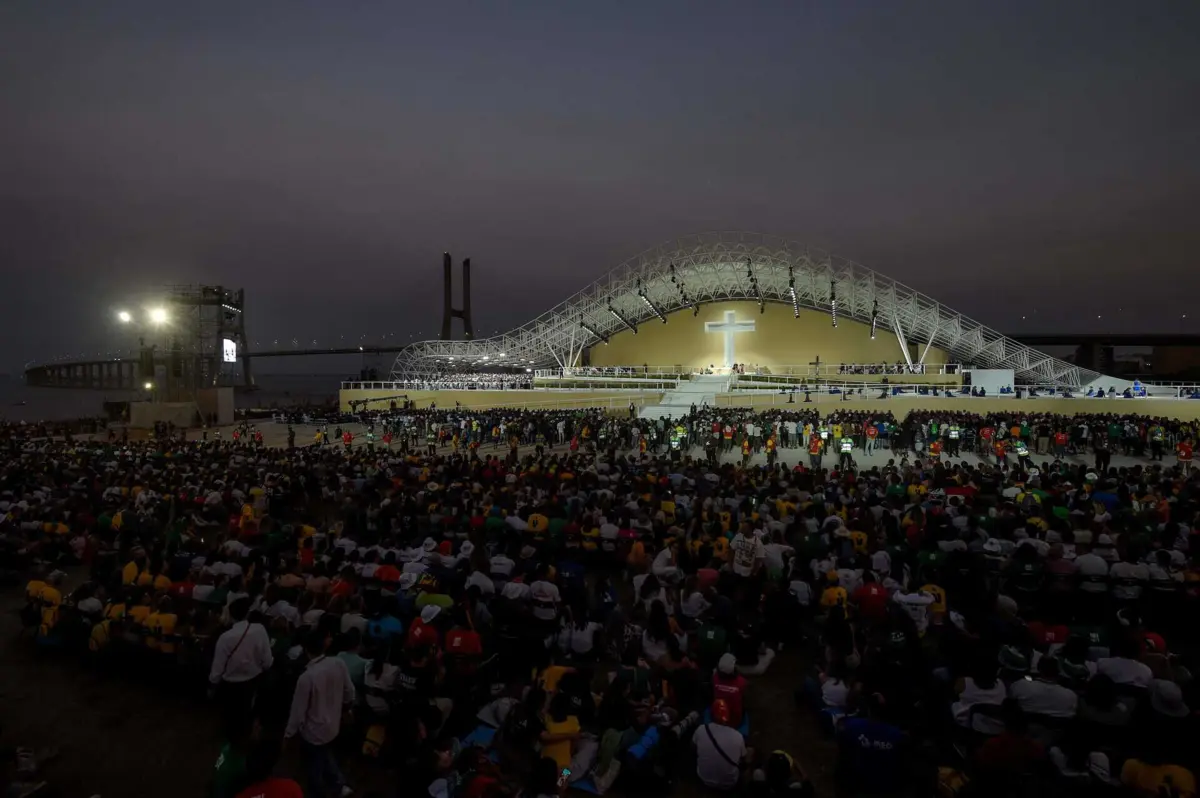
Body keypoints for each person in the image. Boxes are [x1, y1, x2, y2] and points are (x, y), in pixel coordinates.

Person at [284, 630, 356, 798]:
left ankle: (321, 791)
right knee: (324, 754)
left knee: (314, 767)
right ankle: (338, 785)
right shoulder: (338, 663)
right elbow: (350, 691)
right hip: (333, 725)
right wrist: (347, 709)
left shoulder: (307, 677)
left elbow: (297, 712)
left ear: (305, 649)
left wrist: (288, 735)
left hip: (313, 732)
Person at [210, 597, 274, 732]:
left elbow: (217, 668)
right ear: (247, 613)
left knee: (230, 717)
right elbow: (267, 661)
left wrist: (213, 683)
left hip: (229, 684)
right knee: (245, 714)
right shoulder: (259, 630)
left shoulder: (225, 637)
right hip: (252, 681)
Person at [693, 698, 748, 790]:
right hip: (729, 784)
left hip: (704, 779)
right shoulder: (738, 736)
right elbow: (743, 759)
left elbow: (693, 748)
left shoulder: (701, 729)